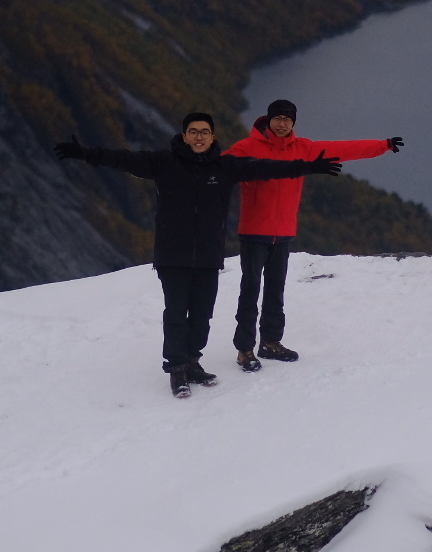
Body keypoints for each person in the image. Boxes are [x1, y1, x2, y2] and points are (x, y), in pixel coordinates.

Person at [55, 113, 340, 398]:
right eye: (193, 132)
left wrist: (309, 167)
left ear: (213, 137)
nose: (199, 137)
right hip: (172, 255)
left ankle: (192, 362)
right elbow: (122, 159)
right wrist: (84, 153)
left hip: (207, 255)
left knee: (202, 315)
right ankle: (177, 370)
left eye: (205, 132)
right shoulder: (164, 163)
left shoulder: (225, 167)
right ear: (184, 135)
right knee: (177, 314)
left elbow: (266, 168)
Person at [223, 99, 403, 371]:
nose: (282, 124)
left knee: (275, 289)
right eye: (277, 118)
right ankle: (244, 349)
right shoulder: (247, 148)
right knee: (250, 290)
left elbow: (345, 149)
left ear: (294, 122)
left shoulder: (304, 148)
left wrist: (383, 145)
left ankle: (271, 341)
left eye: (287, 119)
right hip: (253, 232)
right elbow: (217, 168)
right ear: (268, 120)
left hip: (283, 233)